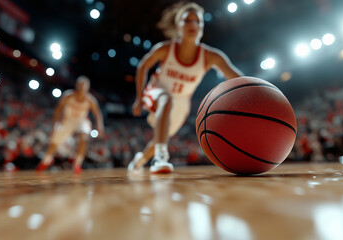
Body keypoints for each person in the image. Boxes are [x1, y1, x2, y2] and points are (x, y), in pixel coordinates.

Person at [128, 2, 243, 174]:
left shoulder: (211, 56)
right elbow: (142, 66)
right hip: (156, 90)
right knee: (166, 100)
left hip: (181, 102)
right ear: (178, 26)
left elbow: (238, 79)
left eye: (198, 22)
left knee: (161, 138)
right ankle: (161, 159)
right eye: (187, 20)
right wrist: (138, 98)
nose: (193, 25)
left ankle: (140, 160)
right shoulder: (166, 48)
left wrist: (260, 89)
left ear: (202, 28)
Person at [36, 76, 104, 174]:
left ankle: (77, 163)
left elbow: (97, 113)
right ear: (76, 85)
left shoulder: (90, 100)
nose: (82, 88)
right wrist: (55, 124)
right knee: (55, 141)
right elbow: (58, 109)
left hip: (81, 121)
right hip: (67, 120)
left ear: (88, 87)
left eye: (84, 86)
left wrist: (100, 126)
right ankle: (46, 160)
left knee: (84, 137)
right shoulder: (68, 95)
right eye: (80, 85)